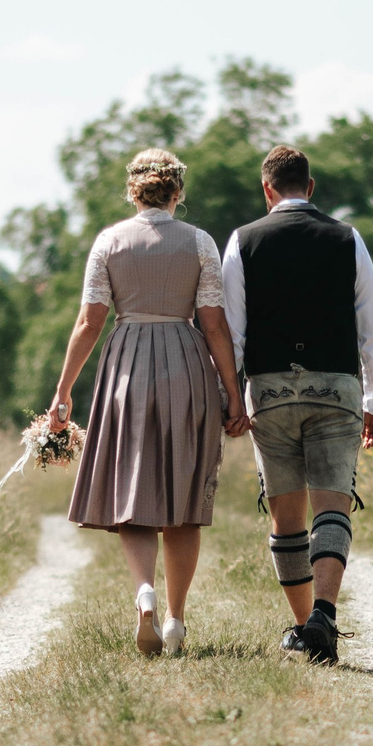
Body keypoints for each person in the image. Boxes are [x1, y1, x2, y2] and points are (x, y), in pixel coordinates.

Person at [48, 148, 251, 656]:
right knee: (184, 500)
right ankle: (177, 621)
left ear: (132, 190)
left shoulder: (109, 241)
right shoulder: (200, 242)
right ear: (177, 192)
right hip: (186, 363)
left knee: (131, 488)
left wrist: (62, 391)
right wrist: (232, 391)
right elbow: (213, 324)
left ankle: (144, 594)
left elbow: (90, 321)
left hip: (127, 368)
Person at [219, 143, 373, 665]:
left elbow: (231, 331)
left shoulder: (243, 240)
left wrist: (232, 398)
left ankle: (305, 627)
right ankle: (324, 616)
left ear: (266, 189)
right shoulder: (347, 238)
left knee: (286, 517)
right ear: (311, 188)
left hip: (269, 392)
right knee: (332, 506)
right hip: (335, 387)